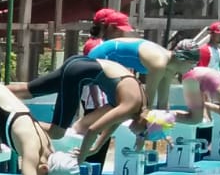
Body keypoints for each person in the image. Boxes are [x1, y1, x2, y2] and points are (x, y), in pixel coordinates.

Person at [9, 55, 145, 162]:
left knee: (27, 90)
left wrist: (96, 147)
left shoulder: (141, 104)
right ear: (144, 122)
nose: (136, 134)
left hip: (79, 63)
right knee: (57, 132)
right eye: (142, 134)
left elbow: (114, 123)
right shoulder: (131, 106)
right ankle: (12, 121)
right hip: (78, 75)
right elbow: (92, 130)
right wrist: (81, 158)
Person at [87, 35, 200, 111]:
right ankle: (84, 127)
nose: (192, 69)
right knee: (128, 103)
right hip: (100, 58)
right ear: (183, 60)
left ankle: (88, 127)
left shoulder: (169, 68)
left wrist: (164, 126)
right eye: (193, 64)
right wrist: (143, 132)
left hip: (110, 60)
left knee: (125, 105)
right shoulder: (159, 64)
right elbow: (147, 102)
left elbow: (163, 103)